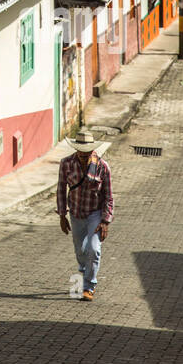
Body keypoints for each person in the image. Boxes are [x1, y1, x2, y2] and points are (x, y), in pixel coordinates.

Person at [56, 127, 114, 301]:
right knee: (81, 250)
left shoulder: (103, 167)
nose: (83, 155)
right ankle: (84, 271)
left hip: (95, 213)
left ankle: (89, 286)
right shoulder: (66, 163)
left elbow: (108, 196)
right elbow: (60, 189)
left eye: (87, 152)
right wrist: (62, 215)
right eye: (80, 152)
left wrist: (105, 221)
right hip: (75, 213)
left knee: (94, 249)